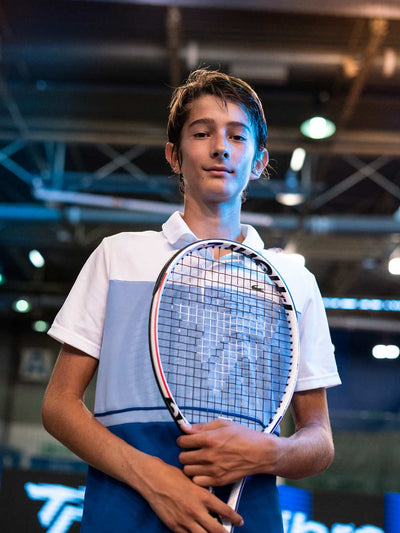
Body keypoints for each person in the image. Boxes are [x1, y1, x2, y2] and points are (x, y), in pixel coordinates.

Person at [42, 68, 341, 533]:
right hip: (124, 518)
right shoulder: (118, 256)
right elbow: (59, 405)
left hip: (247, 518)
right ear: (174, 155)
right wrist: (153, 478)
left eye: (237, 136)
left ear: (258, 161)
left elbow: (319, 440)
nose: (220, 147)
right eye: (202, 133)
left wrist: (269, 452)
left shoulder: (294, 282)